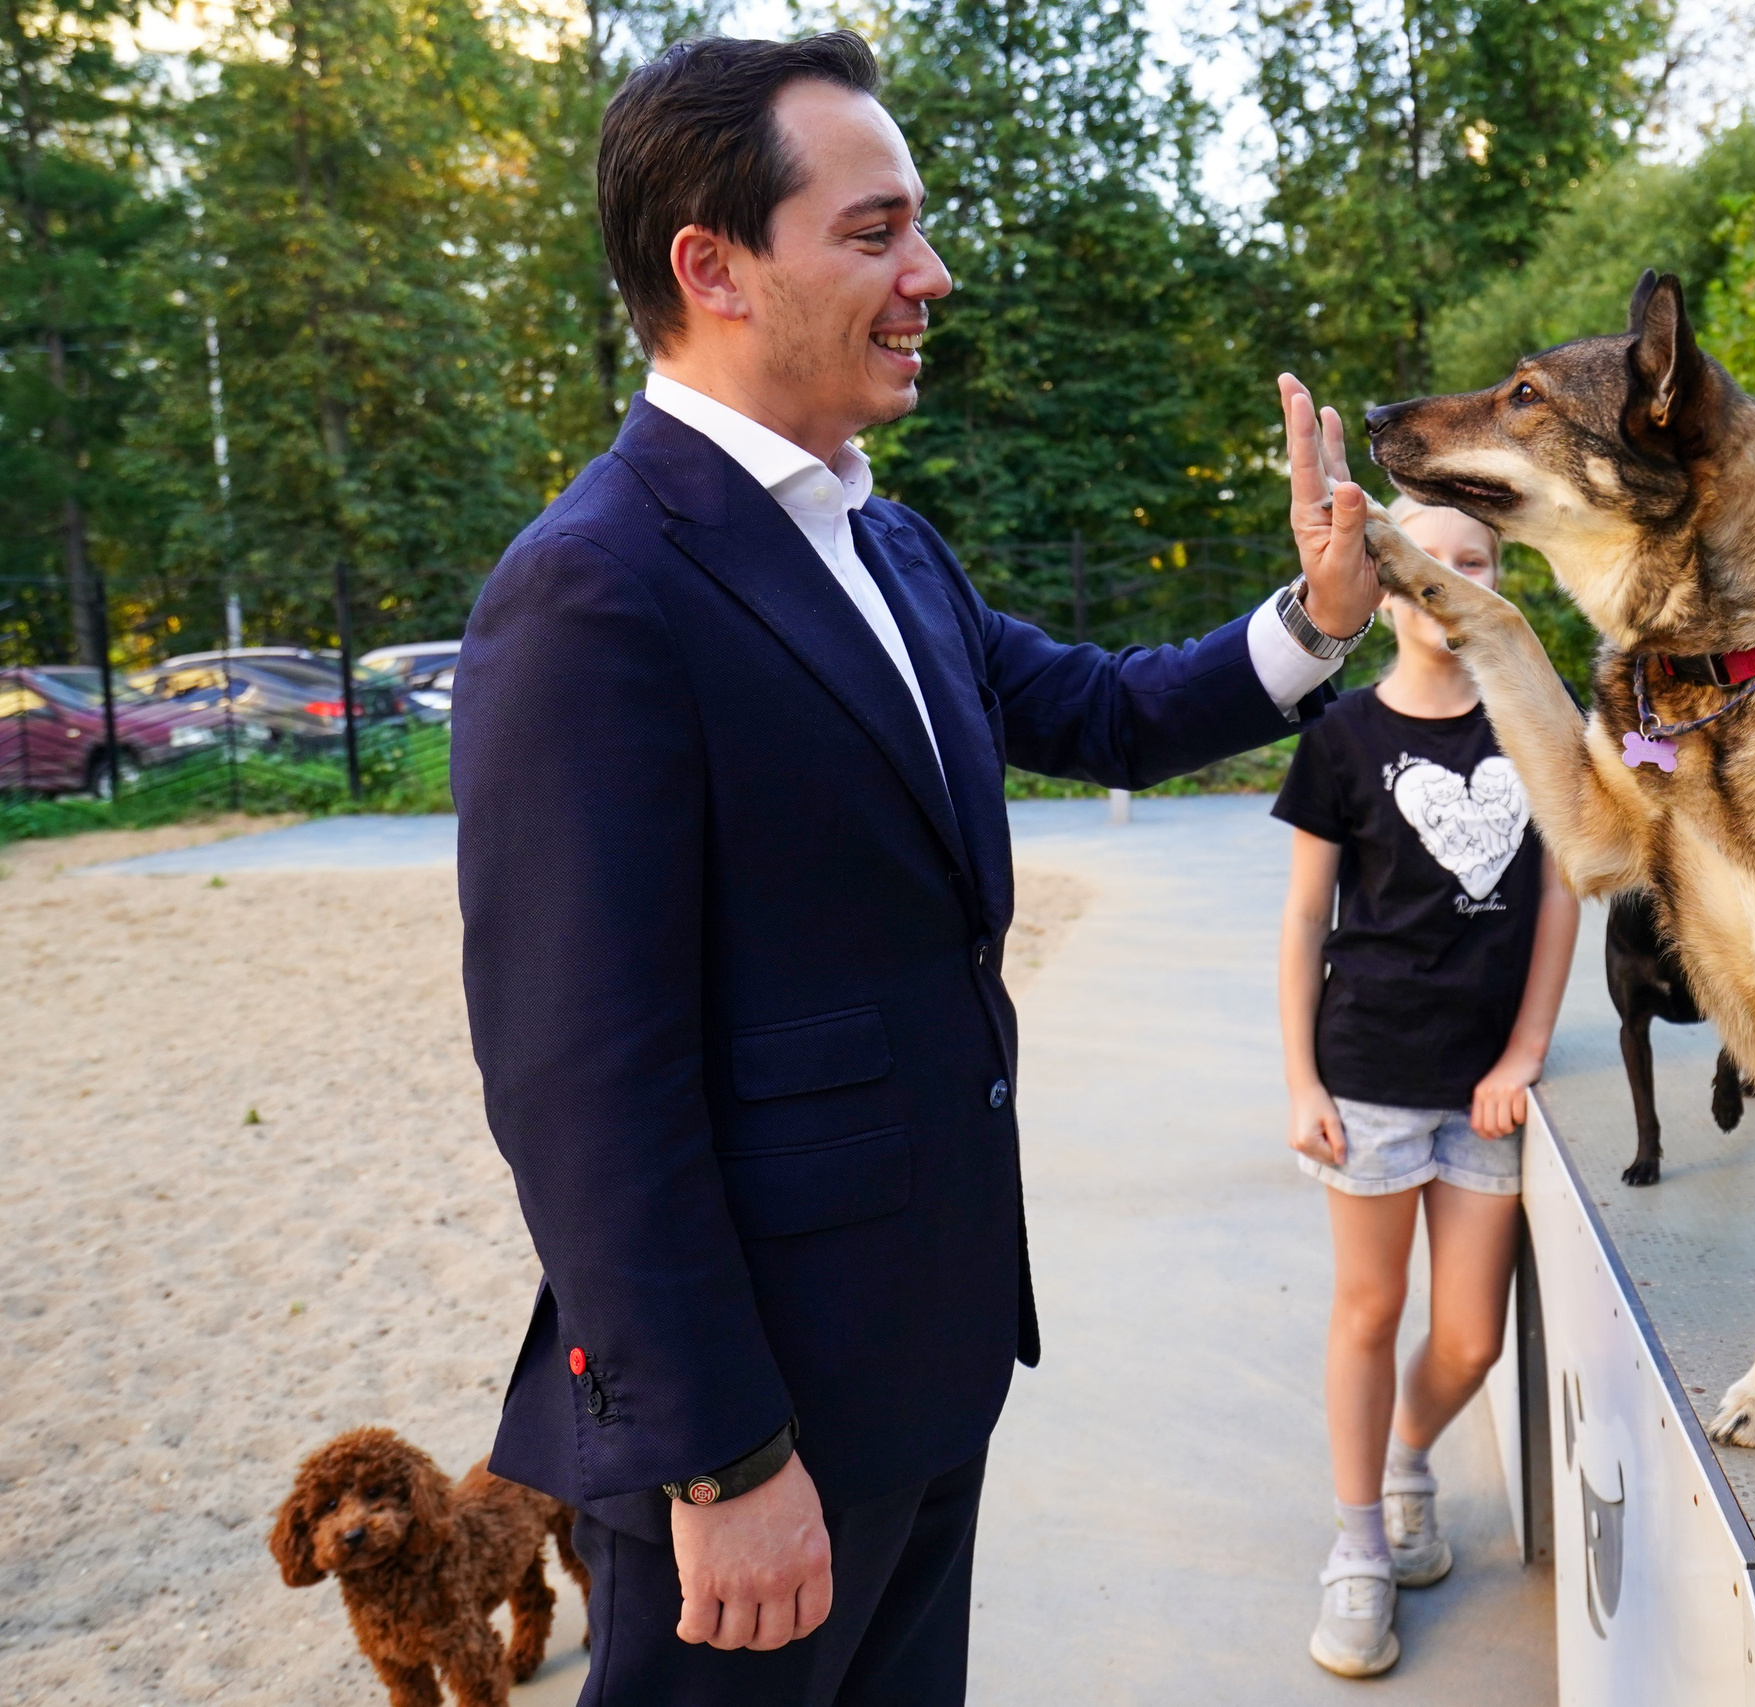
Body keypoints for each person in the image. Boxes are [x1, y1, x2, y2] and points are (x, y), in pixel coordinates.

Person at [452, 32, 1384, 1704]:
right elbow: (584, 1084)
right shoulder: (594, 589)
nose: (929, 276)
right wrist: (724, 1461)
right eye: (876, 232)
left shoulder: (883, 536)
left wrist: (1314, 618)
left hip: (921, 1365)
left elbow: (1095, 707)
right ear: (710, 266)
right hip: (759, 1424)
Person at [1270, 499, 1580, 1677]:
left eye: (1475, 562)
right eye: (1423, 565)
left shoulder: (1533, 726)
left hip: (1483, 1089)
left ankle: (1406, 1460)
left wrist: (1523, 1052)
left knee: (1465, 1340)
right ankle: (1357, 1547)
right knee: (1367, 1312)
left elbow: (1560, 895)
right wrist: (1301, 1078)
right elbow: (1306, 920)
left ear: (1502, 583)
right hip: (1370, 1079)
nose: (1447, 581)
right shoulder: (1340, 739)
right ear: (1387, 588)